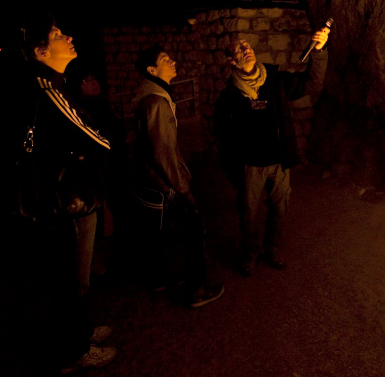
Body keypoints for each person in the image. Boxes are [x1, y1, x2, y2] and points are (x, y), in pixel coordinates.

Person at [18, 15, 117, 375]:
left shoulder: (52, 84)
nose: (69, 36)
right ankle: (74, 351)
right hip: (68, 199)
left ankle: (83, 332)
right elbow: (93, 138)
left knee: (76, 276)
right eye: (59, 34)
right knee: (73, 280)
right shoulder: (46, 87)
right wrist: (108, 142)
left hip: (66, 194)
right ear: (41, 51)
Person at [213, 25, 331, 276]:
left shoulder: (276, 80)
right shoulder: (230, 96)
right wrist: (233, 170)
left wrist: (318, 51)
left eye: (248, 45)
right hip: (249, 165)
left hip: (278, 160)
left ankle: (272, 248)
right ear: (231, 60)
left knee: (279, 208)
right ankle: (250, 253)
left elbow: (312, 82)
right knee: (248, 213)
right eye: (239, 48)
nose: (247, 49)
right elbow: (223, 136)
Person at [129, 45, 224, 308]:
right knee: (195, 232)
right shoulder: (157, 102)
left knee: (155, 232)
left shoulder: (152, 96)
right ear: (152, 70)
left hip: (152, 180)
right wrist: (183, 188)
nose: (172, 61)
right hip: (165, 183)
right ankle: (197, 290)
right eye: (164, 60)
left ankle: (160, 277)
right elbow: (163, 152)